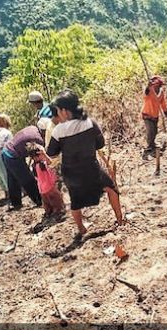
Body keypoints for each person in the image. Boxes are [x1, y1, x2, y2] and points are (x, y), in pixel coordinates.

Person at [42, 89, 123, 238]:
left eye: (58, 110)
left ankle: (81, 229)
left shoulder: (58, 130)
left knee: (75, 201)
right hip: (91, 168)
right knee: (112, 189)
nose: (58, 113)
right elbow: (100, 144)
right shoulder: (90, 123)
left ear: (65, 111)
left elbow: (52, 153)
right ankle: (120, 220)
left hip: (71, 172)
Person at [2, 123, 44, 210]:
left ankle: (15, 203)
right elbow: (38, 156)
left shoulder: (32, 128)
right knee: (27, 180)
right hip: (13, 155)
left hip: (6, 151)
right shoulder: (38, 139)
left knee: (13, 179)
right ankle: (39, 200)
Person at [26, 142, 65, 218]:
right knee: (56, 200)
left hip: (42, 188)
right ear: (38, 155)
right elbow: (50, 163)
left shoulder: (34, 165)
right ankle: (58, 211)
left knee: (47, 202)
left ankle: (49, 212)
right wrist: (45, 155)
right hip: (50, 186)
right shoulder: (42, 163)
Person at [140, 75, 167, 156]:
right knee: (150, 131)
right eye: (156, 85)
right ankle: (149, 146)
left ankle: (152, 145)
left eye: (159, 85)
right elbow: (145, 94)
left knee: (155, 131)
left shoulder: (161, 92)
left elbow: (163, 103)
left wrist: (166, 112)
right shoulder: (149, 90)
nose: (158, 87)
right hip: (147, 114)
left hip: (155, 115)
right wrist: (148, 86)